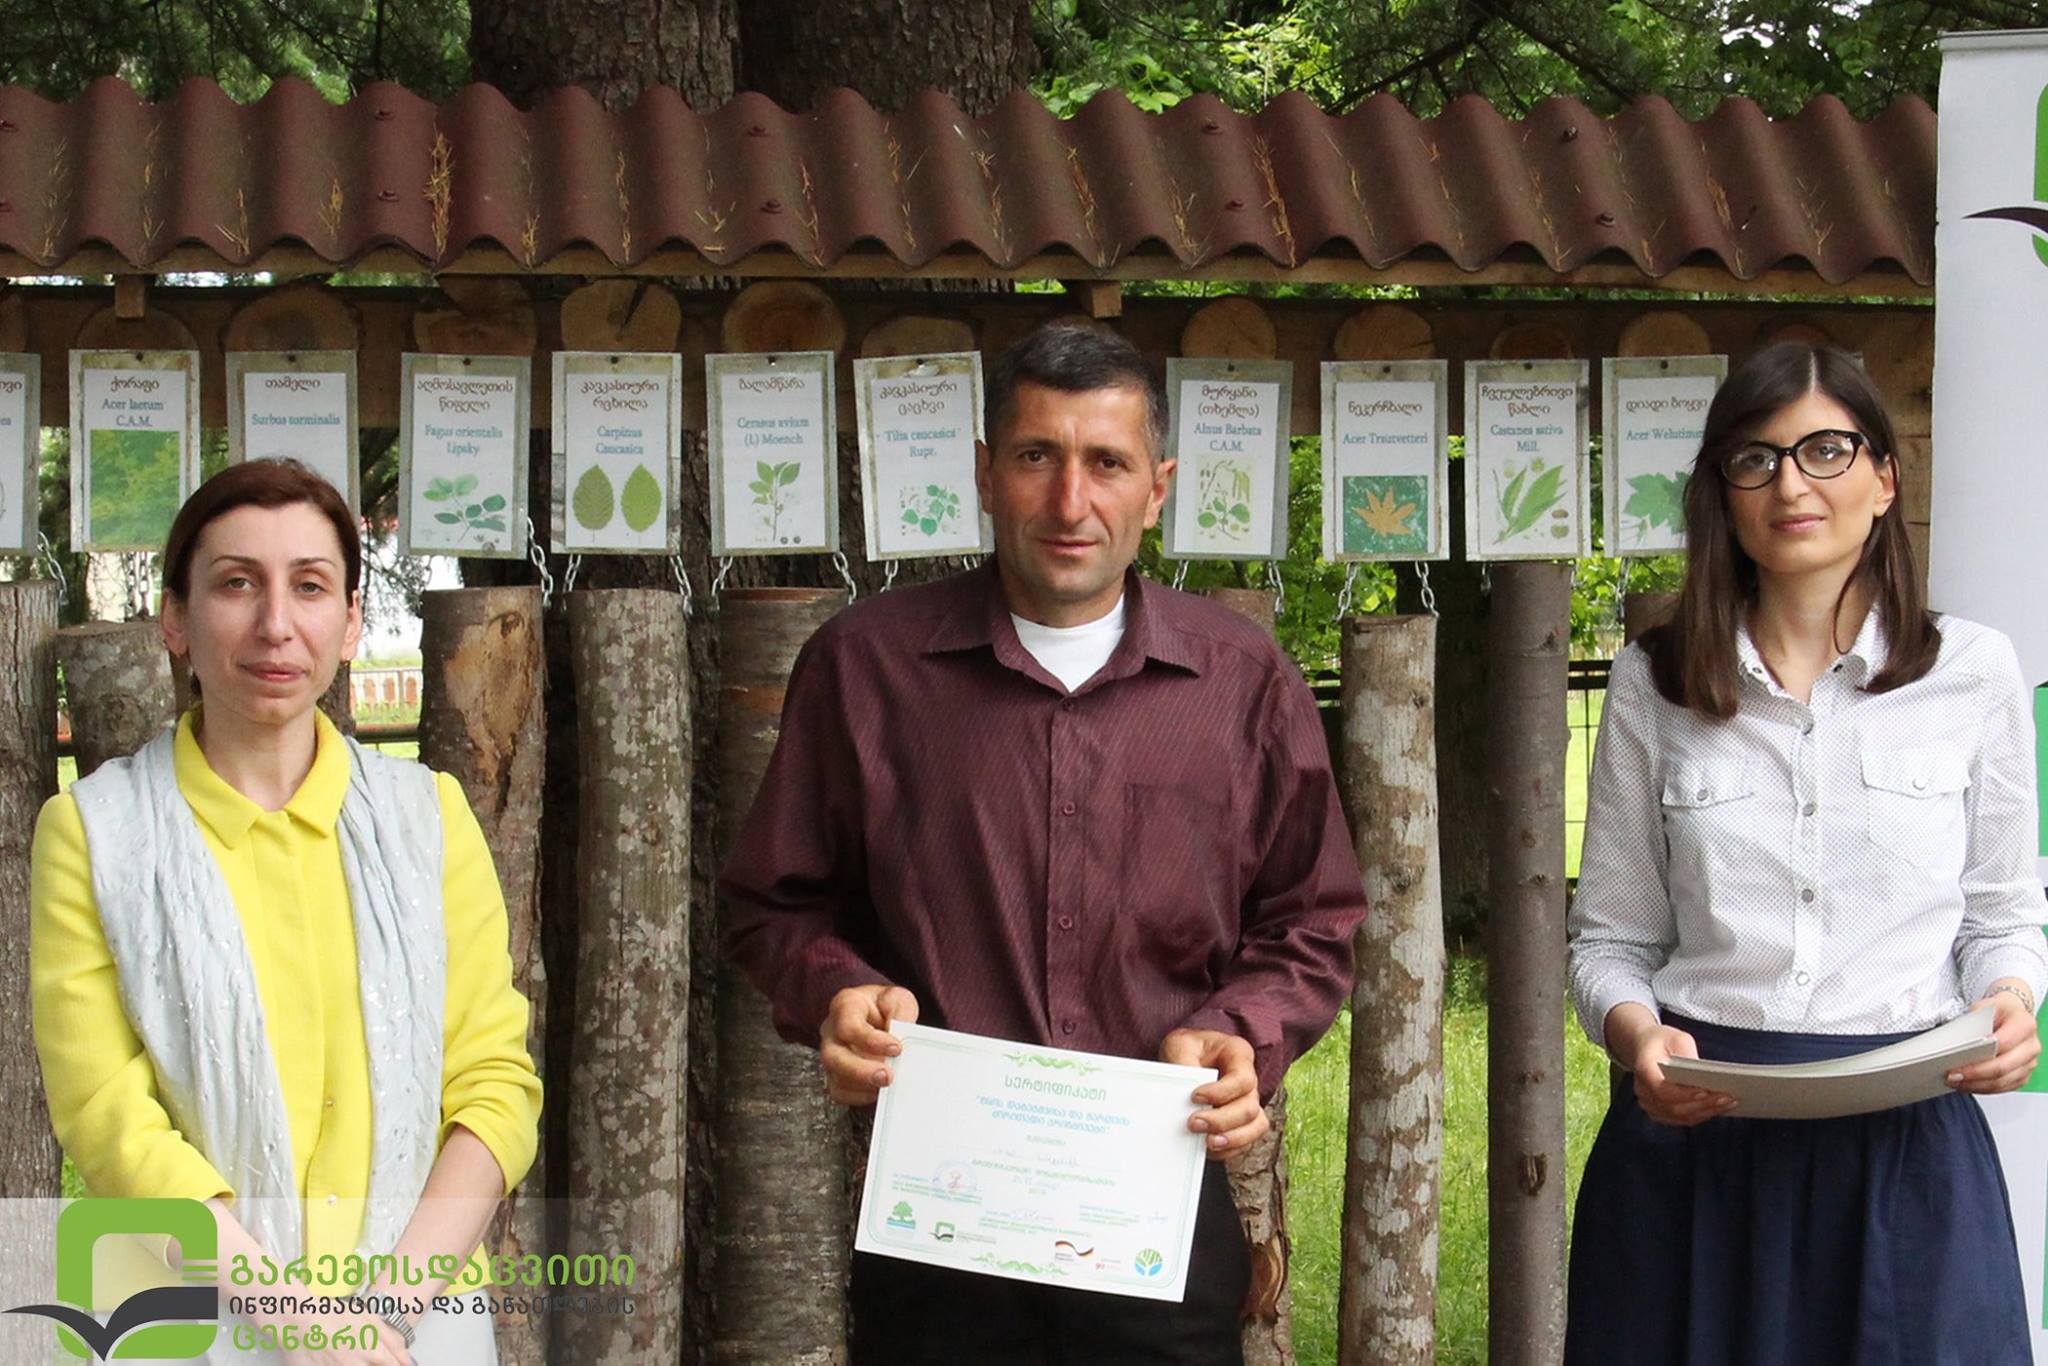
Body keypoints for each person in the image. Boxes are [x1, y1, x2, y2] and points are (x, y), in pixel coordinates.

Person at [719, 321, 1369, 1364]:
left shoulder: (1242, 683)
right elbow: (776, 902)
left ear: (1155, 489)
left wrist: (1243, 1028)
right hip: (940, 1232)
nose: (1071, 502)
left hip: (1156, 1219)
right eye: (1036, 456)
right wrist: (835, 990)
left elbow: (1313, 918)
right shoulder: (864, 669)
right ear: (985, 473)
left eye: (1106, 462)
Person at [1565, 342, 2046, 1364]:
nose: (1791, 485)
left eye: (1826, 450)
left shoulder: (1972, 671)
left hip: (1908, 1151)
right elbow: (1609, 940)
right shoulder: (1654, 684)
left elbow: (2002, 914)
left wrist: (2009, 1000)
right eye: (1757, 459)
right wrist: (1637, 1038)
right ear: (1723, 496)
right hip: (1698, 1146)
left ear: (1884, 479)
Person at [30, 458, 542, 1366]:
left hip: (412, 1328)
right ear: (175, 618)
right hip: (188, 1326)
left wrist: (381, 1317)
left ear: (350, 623)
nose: (276, 624)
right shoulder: (95, 835)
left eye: (309, 586)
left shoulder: (428, 821)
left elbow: (494, 1085)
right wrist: (301, 1322)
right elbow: (111, 1121)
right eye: (237, 583)